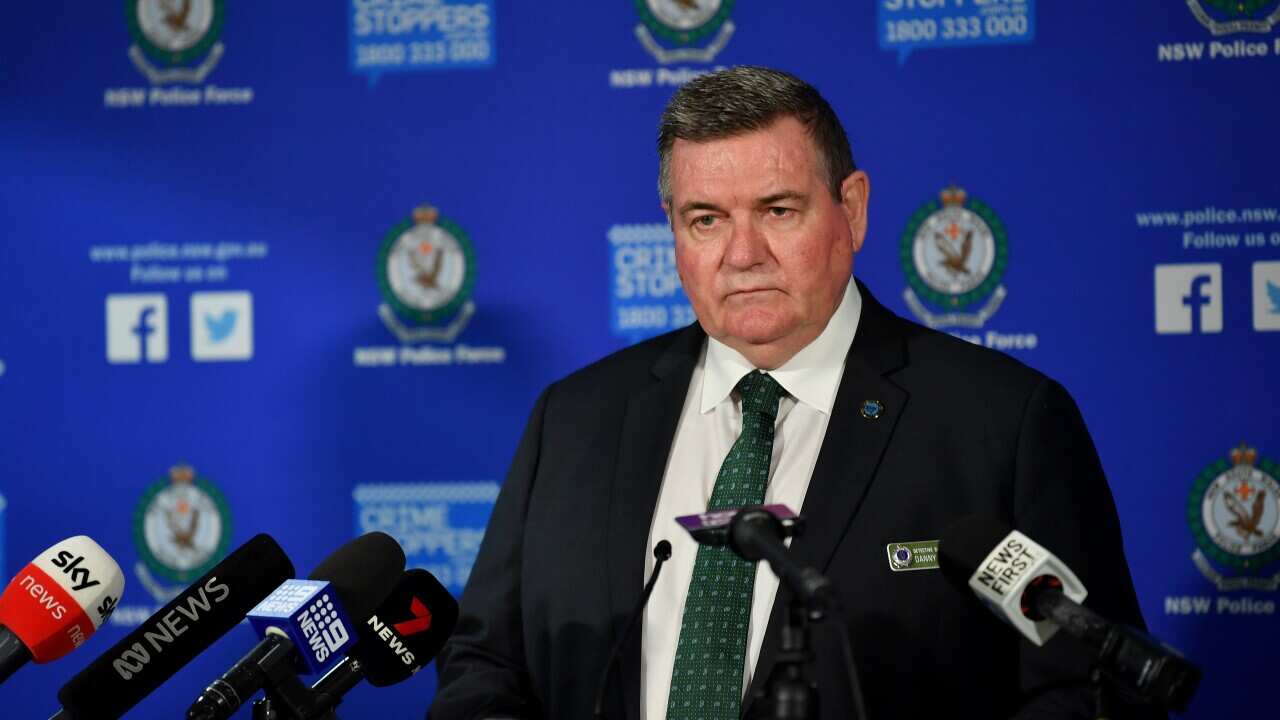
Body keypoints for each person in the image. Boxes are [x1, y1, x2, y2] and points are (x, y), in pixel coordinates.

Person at [430, 66, 1152, 720]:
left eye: (778, 211)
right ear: (674, 233)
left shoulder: (1003, 423)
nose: (742, 256)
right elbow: (485, 667)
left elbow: (1088, 689)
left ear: (854, 211)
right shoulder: (576, 419)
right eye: (705, 219)